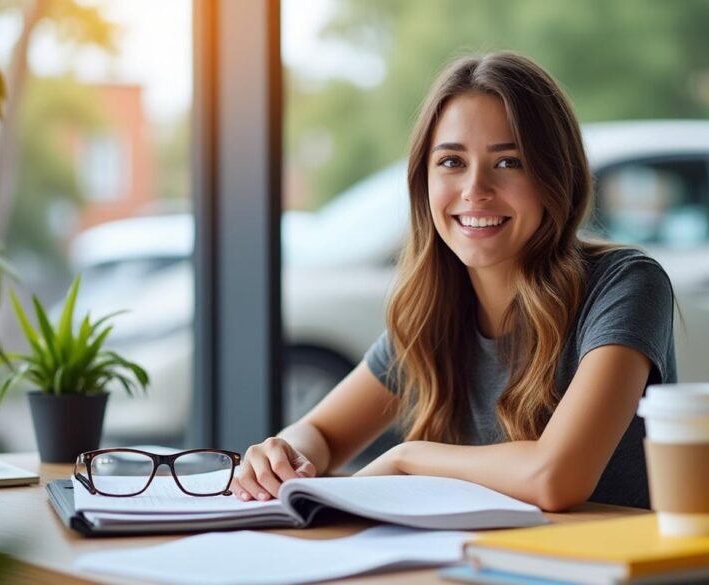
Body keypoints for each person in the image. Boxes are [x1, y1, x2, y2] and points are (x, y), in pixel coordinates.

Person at [231, 51, 676, 512]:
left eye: (508, 163)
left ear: (554, 177)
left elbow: (555, 477)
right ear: (423, 179)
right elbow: (322, 434)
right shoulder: (435, 308)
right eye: (451, 162)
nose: (475, 189)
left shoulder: (626, 284)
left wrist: (408, 458)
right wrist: (283, 453)